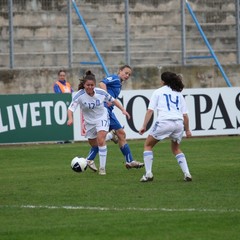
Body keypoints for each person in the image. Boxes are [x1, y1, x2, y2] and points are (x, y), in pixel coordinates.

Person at [67, 70, 130, 175]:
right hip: (89, 122)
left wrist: (123, 110)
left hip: (102, 117)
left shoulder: (101, 92)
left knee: (100, 141)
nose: (90, 87)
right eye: (88, 85)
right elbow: (70, 109)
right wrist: (70, 118)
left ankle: (102, 169)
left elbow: (113, 100)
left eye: (92, 85)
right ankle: (110, 135)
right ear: (84, 85)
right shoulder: (79, 95)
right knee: (94, 144)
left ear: (95, 85)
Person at [85, 64, 144, 171]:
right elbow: (102, 83)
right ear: (120, 71)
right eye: (126, 73)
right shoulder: (115, 79)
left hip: (108, 111)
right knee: (112, 135)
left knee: (120, 134)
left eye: (129, 75)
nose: (127, 76)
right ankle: (90, 159)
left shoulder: (119, 83)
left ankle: (129, 160)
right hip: (104, 111)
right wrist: (107, 97)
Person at [139, 71, 192, 182]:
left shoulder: (158, 92)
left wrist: (144, 126)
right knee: (176, 148)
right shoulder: (178, 94)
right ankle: (187, 173)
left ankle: (148, 174)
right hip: (178, 124)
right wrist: (187, 130)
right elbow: (185, 115)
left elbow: (150, 111)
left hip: (164, 122)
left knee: (148, 145)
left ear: (163, 81)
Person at [54, 69, 74, 144]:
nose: (62, 77)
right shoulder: (57, 84)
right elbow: (58, 94)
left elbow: (72, 92)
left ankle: (66, 138)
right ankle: (59, 139)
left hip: (68, 105)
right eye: (61, 75)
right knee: (60, 122)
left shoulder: (68, 84)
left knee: (68, 121)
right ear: (58, 76)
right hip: (60, 104)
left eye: (63, 75)